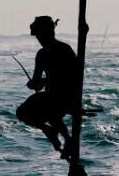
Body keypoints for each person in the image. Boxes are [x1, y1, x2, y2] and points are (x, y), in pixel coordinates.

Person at [16, 16, 77, 157]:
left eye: (38, 35)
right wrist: (41, 82)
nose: (39, 39)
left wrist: (33, 84)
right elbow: (72, 76)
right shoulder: (66, 48)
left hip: (58, 99)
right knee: (51, 112)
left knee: (22, 112)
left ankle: (48, 130)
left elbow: (36, 82)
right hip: (70, 97)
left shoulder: (42, 54)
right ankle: (66, 139)